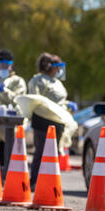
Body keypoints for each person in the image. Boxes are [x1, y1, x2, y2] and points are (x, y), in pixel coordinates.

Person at [28, 52, 77, 189]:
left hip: (57, 121)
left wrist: (67, 105)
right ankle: (35, 181)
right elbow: (36, 99)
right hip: (42, 120)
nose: (59, 70)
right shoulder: (38, 81)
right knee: (40, 152)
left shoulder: (58, 83)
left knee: (53, 153)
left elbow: (59, 101)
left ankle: (49, 182)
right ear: (51, 67)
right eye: (58, 67)